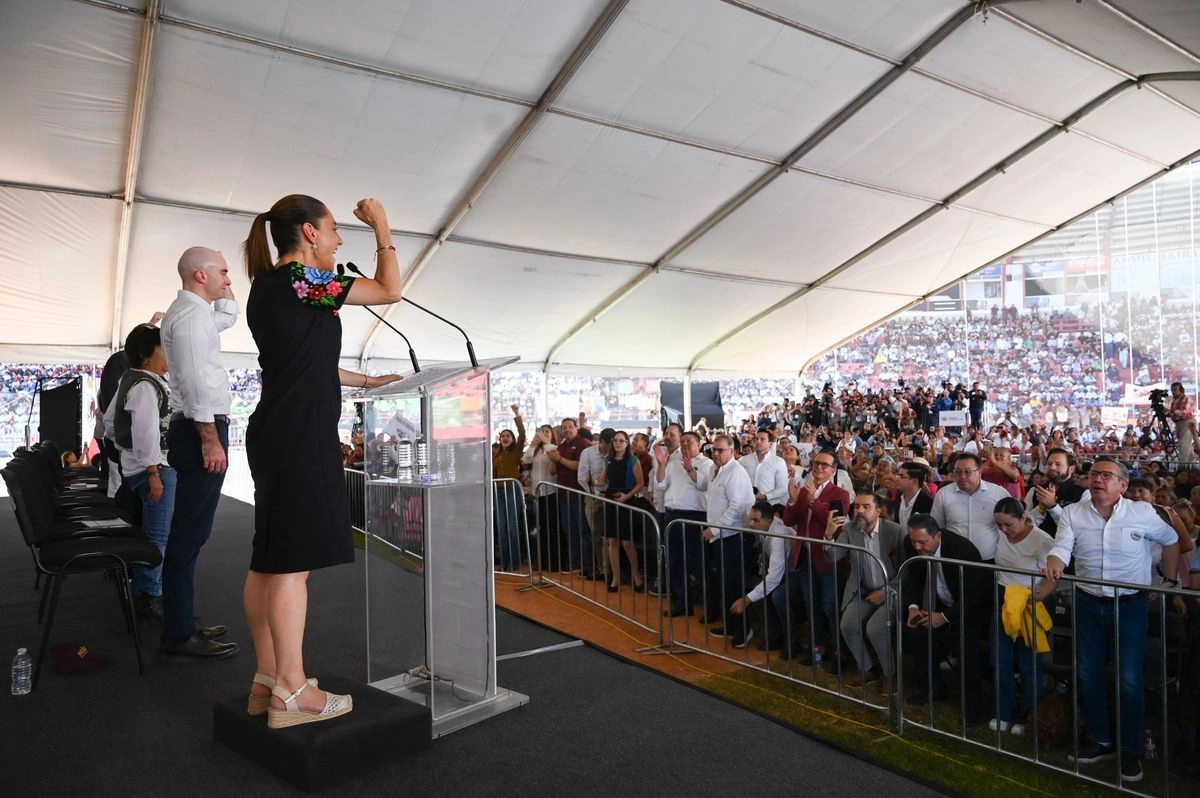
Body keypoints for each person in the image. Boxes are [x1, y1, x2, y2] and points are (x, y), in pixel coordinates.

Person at [241, 194, 402, 728]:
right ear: (309, 233)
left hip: (278, 432)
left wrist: (366, 381)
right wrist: (382, 227)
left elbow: (308, 364)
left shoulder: (272, 287)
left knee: (269, 560)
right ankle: (293, 689)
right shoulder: (301, 282)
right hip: (299, 437)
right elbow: (389, 291)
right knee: (292, 566)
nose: (337, 241)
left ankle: (269, 678)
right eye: (334, 231)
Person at [1043, 457, 1180, 782]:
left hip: (1130, 607)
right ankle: (1100, 739)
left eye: (1107, 476)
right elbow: (1062, 547)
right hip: (1088, 604)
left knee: (1129, 679)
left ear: (1123, 485)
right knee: (1088, 674)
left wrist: (1170, 583)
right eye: (1094, 475)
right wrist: (1053, 561)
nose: (1098, 480)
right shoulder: (1075, 513)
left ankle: (1131, 752)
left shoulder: (1142, 513)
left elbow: (1172, 540)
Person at [160, 247, 241, 662]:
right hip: (199, 431)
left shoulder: (195, 313)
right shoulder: (191, 318)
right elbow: (193, 384)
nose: (229, 279)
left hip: (197, 429)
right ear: (199, 275)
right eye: (223, 273)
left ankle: (182, 620)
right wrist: (210, 438)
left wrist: (227, 285)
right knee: (189, 533)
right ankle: (178, 631)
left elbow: (228, 316)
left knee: (191, 533)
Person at [103, 323, 173, 623]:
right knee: (157, 537)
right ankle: (149, 595)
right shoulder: (146, 385)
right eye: (163, 348)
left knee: (152, 534)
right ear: (146, 355)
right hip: (154, 469)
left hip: (139, 467)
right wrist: (153, 470)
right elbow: (145, 432)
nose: (168, 354)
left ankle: (147, 590)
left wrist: (125, 453)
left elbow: (108, 422)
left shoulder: (129, 380)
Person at [901, 514, 989, 721]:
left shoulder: (963, 550)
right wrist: (913, 608)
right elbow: (914, 579)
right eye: (913, 541)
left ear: (938, 536)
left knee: (966, 647)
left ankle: (972, 705)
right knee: (919, 632)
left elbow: (975, 595)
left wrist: (945, 617)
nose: (916, 547)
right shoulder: (911, 543)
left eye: (922, 542)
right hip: (936, 600)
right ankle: (931, 689)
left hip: (968, 608)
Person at [990, 498, 1057, 736]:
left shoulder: (1043, 541)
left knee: (1030, 662)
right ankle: (1004, 710)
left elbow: (1053, 575)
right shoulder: (1000, 535)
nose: (1004, 530)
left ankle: (1029, 713)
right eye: (999, 525)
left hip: (1032, 600)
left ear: (1023, 517)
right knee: (1001, 659)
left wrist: (1037, 597)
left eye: (1009, 525)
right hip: (1004, 598)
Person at [825, 493, 903, 694]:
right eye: (856, 506)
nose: (859, 511)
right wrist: (828, 535)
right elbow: (833, 557)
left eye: (866, 507)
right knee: (848, 626)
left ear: (878, 511)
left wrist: (887, 591)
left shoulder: (895, 532)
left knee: (875, 628)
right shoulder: (850, 529)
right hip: (864, 591)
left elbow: (907, 571)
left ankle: (890, 675)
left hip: (893, 592)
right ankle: (868, 669)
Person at [778, 449, 850, 663]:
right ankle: (817, 647)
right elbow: (790, 521)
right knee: (811, 604)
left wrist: (812, 501)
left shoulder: (840, 494)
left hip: (828, 558)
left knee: (829, 605)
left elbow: (835, 526)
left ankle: (840, 650)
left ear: (833, 470)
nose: (818, 467)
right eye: (816, 463)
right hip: (806, 556)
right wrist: (792, 501)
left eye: (824, 465)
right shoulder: (802, 491)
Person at [697, 434, 755, 645]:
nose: (716, 453)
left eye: (721, 450)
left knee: (733, 584)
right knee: (724, 582)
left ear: (733, 452)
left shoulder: (736, 473)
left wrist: (714, 529)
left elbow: (737, 507)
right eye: (714, 449)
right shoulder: (714, 469)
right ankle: (730, 624)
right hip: (720, 535)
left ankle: (743, 628)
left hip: (734, 536)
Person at [654, 430, 711, 616]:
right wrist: (662, 465)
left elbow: (703, 485)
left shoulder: (707, 463)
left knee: (699, 562)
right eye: (683, 442)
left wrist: (690, 469)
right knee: (675, 561)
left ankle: (712, 605)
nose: (685, 445)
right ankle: (682, 603)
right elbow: (661, 485)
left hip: (695, 517)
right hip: (672, 516)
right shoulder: (673, 463)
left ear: (699, 444)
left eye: (690, 442)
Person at [730, 501, 794, 651]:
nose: (751, 524)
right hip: (779, 572)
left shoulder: (778, 536)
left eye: (756, 520)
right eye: (751, 519)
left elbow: (774, 578)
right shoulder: (764, 528)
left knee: (773, 595)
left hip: (792, 573)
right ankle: (773, 632)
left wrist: (746, 600)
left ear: (769, 520)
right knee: (750, 586)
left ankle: (787, 639)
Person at [930, 451, 1009, 562]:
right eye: (957, 472)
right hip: (954, 560)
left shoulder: (998, 493)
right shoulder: (944, 494)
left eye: (968, 472)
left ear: (980, 471)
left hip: (988, 560)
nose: (962, 476)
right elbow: (937, 526)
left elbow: (1012, 525)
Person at [547, 417, 593, 576]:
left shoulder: (583, 445)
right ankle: (575, 563)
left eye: (570, 427)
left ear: (576, 428)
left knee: (583, 531)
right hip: (563, 494)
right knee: (569, 530)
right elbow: (553, 471)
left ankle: (588, 565)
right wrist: (552, 459)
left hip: (578, 493)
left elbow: (579, 466)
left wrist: (559, 459)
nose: (567, 430)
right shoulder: (561, 446)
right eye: (564, 428)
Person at [602, 431, 646, 593]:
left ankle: (636, 575)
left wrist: (626, 496)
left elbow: (640, 483)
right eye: (615, 441)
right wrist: (594, 481)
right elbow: (602, 479)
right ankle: (616, 577)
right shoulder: (608, 460)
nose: (618, 443)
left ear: (627, 443)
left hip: (627, 499)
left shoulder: (633, 460)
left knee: (627, 542)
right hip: (611, 499)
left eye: (621, 440)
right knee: (612, 541)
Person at [492, 405, 526, 571]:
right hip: (498, 492)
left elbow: (523, 434)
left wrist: (517, 415)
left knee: (512, 527)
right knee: (502, 527)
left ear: (512, 439)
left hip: (512, 490)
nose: (505, 438)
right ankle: (504, 563)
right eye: (503, 436)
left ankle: (514, 563)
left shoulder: (516, 452)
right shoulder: (497, 456)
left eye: (508, 436)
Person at [523, 424, 559, 570]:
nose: (543, 434)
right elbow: (526, 460)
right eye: (541, 432)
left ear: (552, 434)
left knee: (552, 527)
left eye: (547, 432)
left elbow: (553, 450)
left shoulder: (552, 448)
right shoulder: (537, 451)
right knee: (541, 527)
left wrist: (544, 441)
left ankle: (554, 561)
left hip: (551, 491)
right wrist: (532, 444)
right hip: (538, 492)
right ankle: (543, 560)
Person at [1169, 382, 1196, 466]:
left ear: (1181, 389)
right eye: (1172, 390)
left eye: (1175, 390)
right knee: (1185, 444)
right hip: (1179, 423)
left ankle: (1183, 467)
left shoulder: (1187, 398)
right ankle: (1191, 465)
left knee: (1183, 445)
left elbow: (1185, 412)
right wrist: (1168, 413)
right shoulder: (1173, 400)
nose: (1173, 392)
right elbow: (1173, 413)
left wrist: (1173, 412)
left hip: (1187, 422)